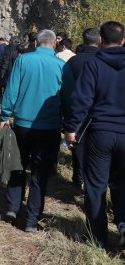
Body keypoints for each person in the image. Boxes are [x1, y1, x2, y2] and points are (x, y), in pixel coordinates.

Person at [0, 30, 74, 233]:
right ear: (54, 44)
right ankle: (31, 220)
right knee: (40, 174)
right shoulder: (62, 66)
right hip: (49, 127)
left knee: (18, 165)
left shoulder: (23, 60)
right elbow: (68, 99)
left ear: (37, 42)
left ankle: (13, 208)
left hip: (23, 124)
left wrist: (5, 116)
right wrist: (69, 126)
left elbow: (11, 89)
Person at [64, 21, 125, 249]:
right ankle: (123, 225)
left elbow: (81, 100)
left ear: (100, 39)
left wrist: (71, 129)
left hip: (100, 132)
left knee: (96, 185)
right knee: (121, 183)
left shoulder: (93, 64)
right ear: (124, 40)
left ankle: (98, 239)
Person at [65, 28, 100, 190]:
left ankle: (78, 177)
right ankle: (93, 180)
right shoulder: (103, 59)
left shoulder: (74, 61)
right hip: (101, 111)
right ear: (99, 40)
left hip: (78, 110)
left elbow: (65, 87)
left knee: (78, 145)